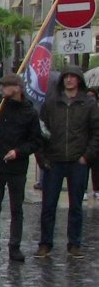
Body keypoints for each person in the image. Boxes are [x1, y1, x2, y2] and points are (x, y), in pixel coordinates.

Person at [0, 73, 43, 262]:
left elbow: (36, 141)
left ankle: (15, 246)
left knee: (16, 209)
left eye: (6, 86)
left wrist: (18, 152)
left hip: (16, 168)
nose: (2, 89)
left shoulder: (30, 112)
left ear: (17, 88)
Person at [35, 66, 99, 259]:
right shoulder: (51, 103)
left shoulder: (88, 103)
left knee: (76, 206)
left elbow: (96, 133)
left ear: (79, 80)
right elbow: (42, 131)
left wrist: (86, 156)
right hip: (54, 161)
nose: (70, 80)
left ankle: (74, 243)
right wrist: (43, 157)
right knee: (48, 205)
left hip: (77, 161)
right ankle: (45, 243)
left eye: (73, 77)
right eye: (67, 77)